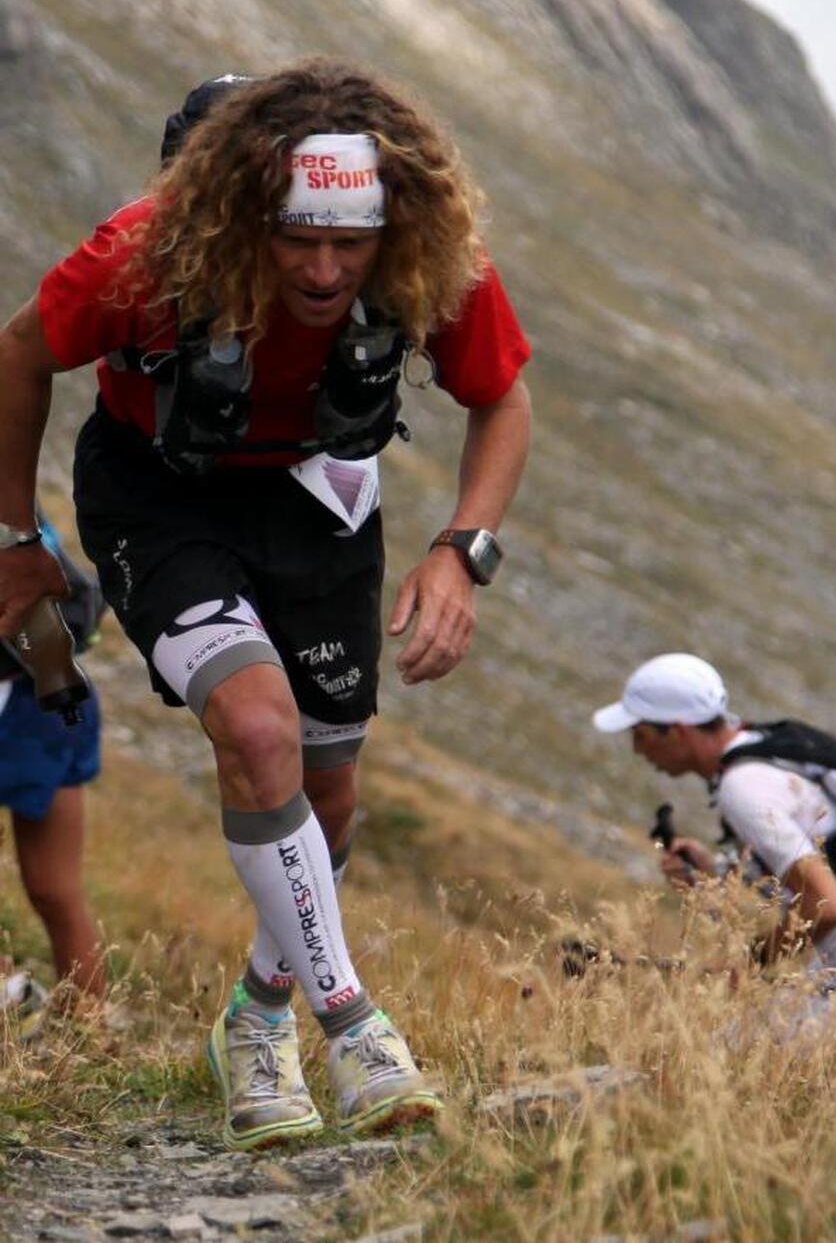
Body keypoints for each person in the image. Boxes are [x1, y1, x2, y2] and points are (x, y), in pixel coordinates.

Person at [0, 57, 532, 1147]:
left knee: (325, 798)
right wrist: (15, 541)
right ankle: (353, 1025)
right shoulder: (144, 257)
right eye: (300, 240)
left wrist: (459, 549)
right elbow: (18, 350)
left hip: (323, 507)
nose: (328, 271)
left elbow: (501, 397)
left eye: (352, 244)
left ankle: (256, 1016)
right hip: (162, 498)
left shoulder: (427, 252)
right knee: (255, 727)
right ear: (242, 214)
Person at [592, 653, 836, 1110]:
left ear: (678, 730)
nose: (637, 749)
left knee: (691, 1072)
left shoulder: (741, 787)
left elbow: (827, 905)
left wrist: (751, 959)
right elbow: (824, 856)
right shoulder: (772, 745)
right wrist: (717, 872)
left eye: (639, 734)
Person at [0, 512, 106, 1038]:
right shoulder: (17, 508)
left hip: (23, 703)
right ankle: (90, 1035)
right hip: (59, 696)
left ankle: (15, 1011)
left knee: (55, 888)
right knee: (58, 889)